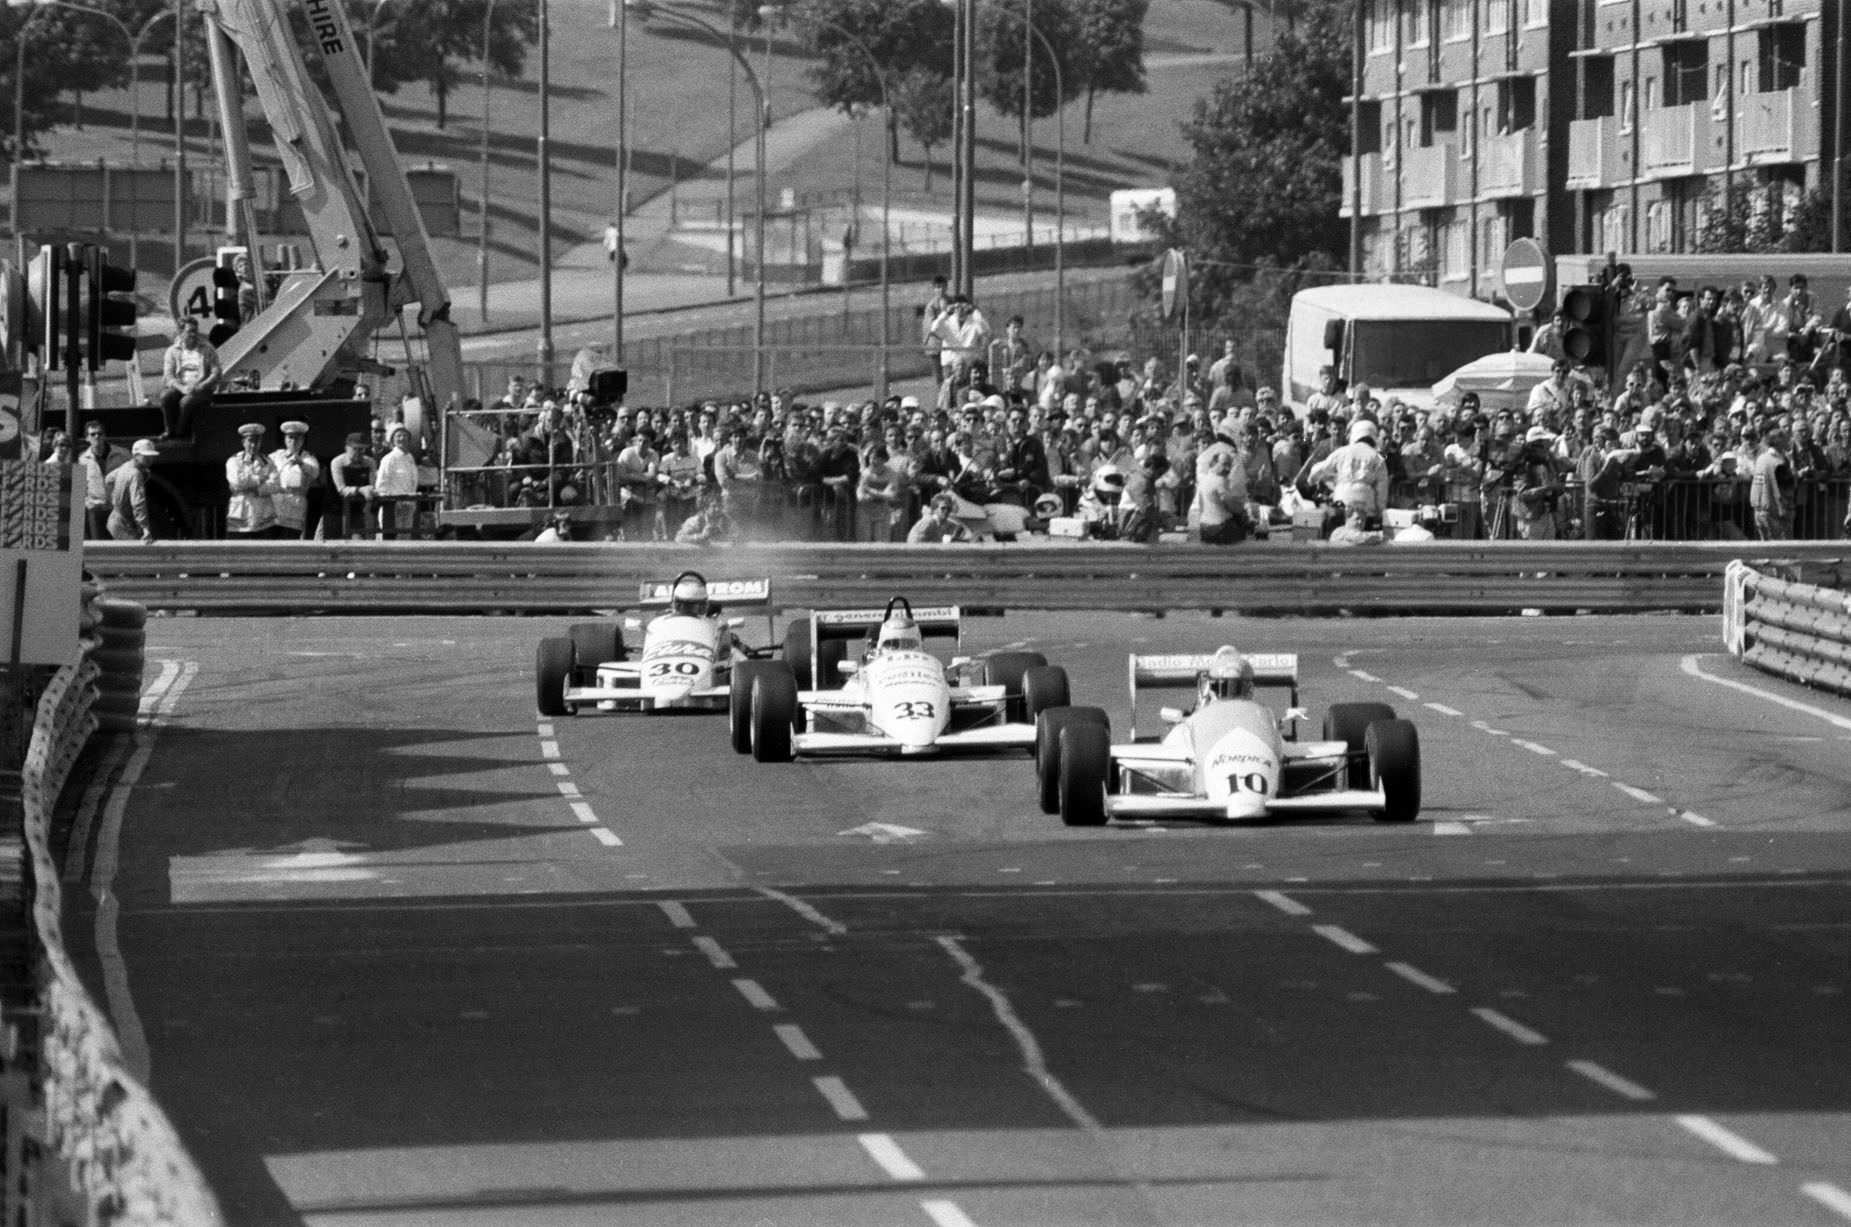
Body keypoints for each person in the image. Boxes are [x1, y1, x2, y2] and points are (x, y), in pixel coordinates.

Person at [1306, 418, 1391, 522]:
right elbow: (1382, 490)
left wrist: (1311, 480)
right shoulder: (1378, 458)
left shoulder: (1342, 452)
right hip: (1366, 508)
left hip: (1341, 503)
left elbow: (1319, 469)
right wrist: (1380, 511)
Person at [159, 317, 220, 440]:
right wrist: (182, 388)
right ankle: (169, 430)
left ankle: (180, 432)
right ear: (181, 333)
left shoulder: (207, 349)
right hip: (182, 386)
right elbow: (169, 376)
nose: (193, 335)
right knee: (166, 396)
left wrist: (201, 386)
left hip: (201, 388)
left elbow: (216, 372)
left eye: (195, 331)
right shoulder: (172, 351)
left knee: (186, 402)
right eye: (190, 331)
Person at [224, 423, 280, 536]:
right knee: (240, 550)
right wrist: (261, 479)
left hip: (263, 517)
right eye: (250, 441)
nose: (253, 445)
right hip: (241, 516)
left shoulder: (268, 462)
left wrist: (258, 490)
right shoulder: (234, 461)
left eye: (257, 441)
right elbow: (238, 481)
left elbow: (276, 483)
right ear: (243, 442)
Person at [270, 420, 322, 540]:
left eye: (297, 438)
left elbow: (314, 472)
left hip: (294, 505)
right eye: (290, 438)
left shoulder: (308, 458)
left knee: (291, 539)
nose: (293, 442)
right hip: (275, 506)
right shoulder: (276, 456)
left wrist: (300, 462)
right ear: (285, 439)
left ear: (302, 440)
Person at [75, 421, 126, 540]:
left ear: (104, 435)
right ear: (87, 438)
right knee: (99, 548)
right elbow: (79, 489)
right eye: (93, 434)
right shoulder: (81, 460)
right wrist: (88, 503)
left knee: (121, 548)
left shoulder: (122, 455)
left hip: (117, 510)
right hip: (95, 512)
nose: (97, 436)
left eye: (100, 433)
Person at [105, 439, 159, 542]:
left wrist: (115, 500)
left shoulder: (126, 466)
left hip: (114, 520)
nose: (150, 459)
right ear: (136, 455)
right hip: (124, 524)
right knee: (138, 555)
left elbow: (109, 479)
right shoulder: (135, 474)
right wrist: (145, 528)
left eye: (151, 456)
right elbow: (138, 503)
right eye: (146, 456)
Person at [375, 423, 421, 539]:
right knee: (391, 539)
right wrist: (387, 501)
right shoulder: (389, 459)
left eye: (405, 435)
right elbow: (381, 484)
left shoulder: (410, 458)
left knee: (406, 538)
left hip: (409, 505)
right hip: (393, 507)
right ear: (392, 440)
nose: (402, 438)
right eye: (398, 436)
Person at [328, 431, 377, 540]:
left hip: (357, 511)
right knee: (325, 543)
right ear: (346, 448)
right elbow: (341, 489)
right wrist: (360, 490)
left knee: (358, 542)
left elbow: (372, 486)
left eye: (362, 449)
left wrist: (368, 490)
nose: (358, 453)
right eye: (355, 449)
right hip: (334, 509)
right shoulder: (337, 462)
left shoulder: (370, 462)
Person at [906, 491, 973, 543]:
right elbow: (914, 542)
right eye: (943, 508)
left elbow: (968, 537)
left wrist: (955, 540)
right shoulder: (927, 523)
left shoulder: (948, 524)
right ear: (934, 509)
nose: (946, 511)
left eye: (949, 509)